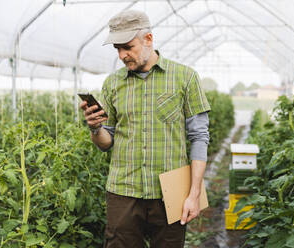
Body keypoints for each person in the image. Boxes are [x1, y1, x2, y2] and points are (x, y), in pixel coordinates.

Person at [80, 9, 211, 248]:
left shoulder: (185, 78)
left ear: (148, 39)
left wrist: (193, 195)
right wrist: (95, 128)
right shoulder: (113, 83)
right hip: (123, 190)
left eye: (128, 47)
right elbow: (105, 142)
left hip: (172, 190)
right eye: (117, 49)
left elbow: (199, 138)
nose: (122, 55)